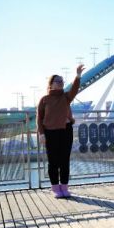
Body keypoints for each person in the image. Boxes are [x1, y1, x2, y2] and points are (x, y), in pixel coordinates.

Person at [37, 64, 85, 198]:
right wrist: (41, 134)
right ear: (51, 84)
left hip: (66, 131)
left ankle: (64, 187)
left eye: (62, 81)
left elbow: (74, 89)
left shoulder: (66, 96)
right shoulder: (44, 99)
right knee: (53, 162)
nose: (60, 83)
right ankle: (55, 188)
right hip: (50, 133)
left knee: (65, 160)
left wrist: (78, 76)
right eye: (57, 81)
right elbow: (39, 118)